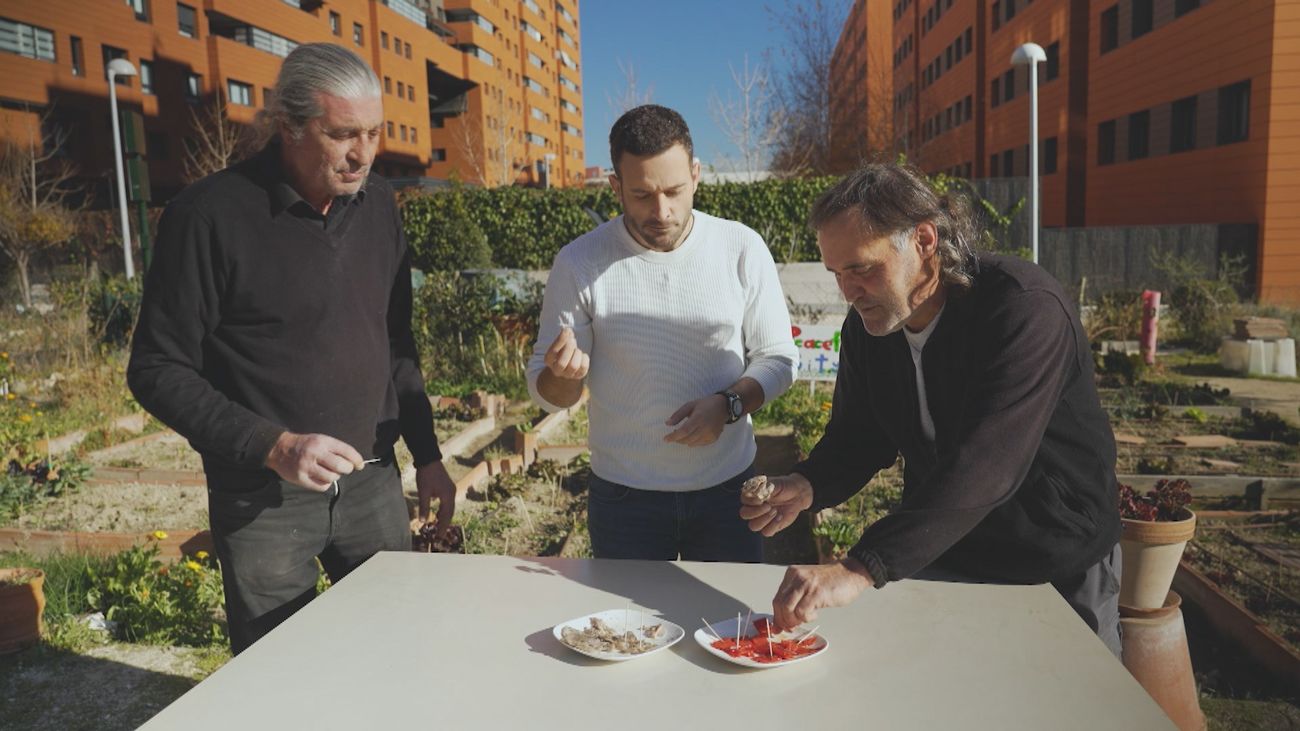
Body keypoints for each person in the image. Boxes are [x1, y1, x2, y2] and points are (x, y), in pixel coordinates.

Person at [127, 44, 456, 654]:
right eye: (342, 135)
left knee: (402, 652)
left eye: (375, 132)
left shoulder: (379, 204)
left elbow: (396, 341)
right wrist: (274, 446)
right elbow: (155, 368)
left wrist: (428, 455)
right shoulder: (208, 216)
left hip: (373, 484)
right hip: (264, 500)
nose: (363, 154)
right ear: (290, 127)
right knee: (278, 675)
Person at [741, 163, 1123, 656]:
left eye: (862, 268)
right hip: (949, 553)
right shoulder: (869, 325)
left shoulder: (1023, 308)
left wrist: (862, 567)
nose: (848, 292)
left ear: (923, 241)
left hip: (1056, 559)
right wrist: (808, 484)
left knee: (1078, 709)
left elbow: (988, 464)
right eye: (837, 273)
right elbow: (859, 436)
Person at [526, 104, 798, 562]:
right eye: (641, 195)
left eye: (674, 190)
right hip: (624, 500)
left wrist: (728, 405)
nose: (662, 211)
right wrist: (564, 376)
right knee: (628, 635)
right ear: (615, 187)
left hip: (729, 492)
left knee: (727, 630)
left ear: (696, 174)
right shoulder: (579, 262)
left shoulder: (740, 248)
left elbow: (779, 359)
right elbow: (550, 392)